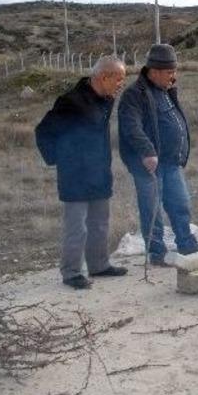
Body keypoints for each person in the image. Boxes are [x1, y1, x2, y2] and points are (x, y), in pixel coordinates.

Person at [35, 56, 128, 289]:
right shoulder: (71, 101)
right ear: (103, 76)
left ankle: (99, 265)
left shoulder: (105, 99)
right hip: (75, 176)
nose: (121, 84)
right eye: (119, 79)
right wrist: (58, 159)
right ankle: (71, 273)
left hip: (99, 173)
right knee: (76, 227)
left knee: (100, 223)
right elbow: (43, 131)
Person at [118, 44, 198, 265]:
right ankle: (157, 253)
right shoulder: (134, 95)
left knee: (180, 204)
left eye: (174, 71)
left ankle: (186, 243)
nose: (173, 76)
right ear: (153, 71)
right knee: (151, 210)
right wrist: (147, 151)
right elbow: (131, 127)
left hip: (171, 162)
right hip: (148, 165)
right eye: (169, 72)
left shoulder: (165, 90)